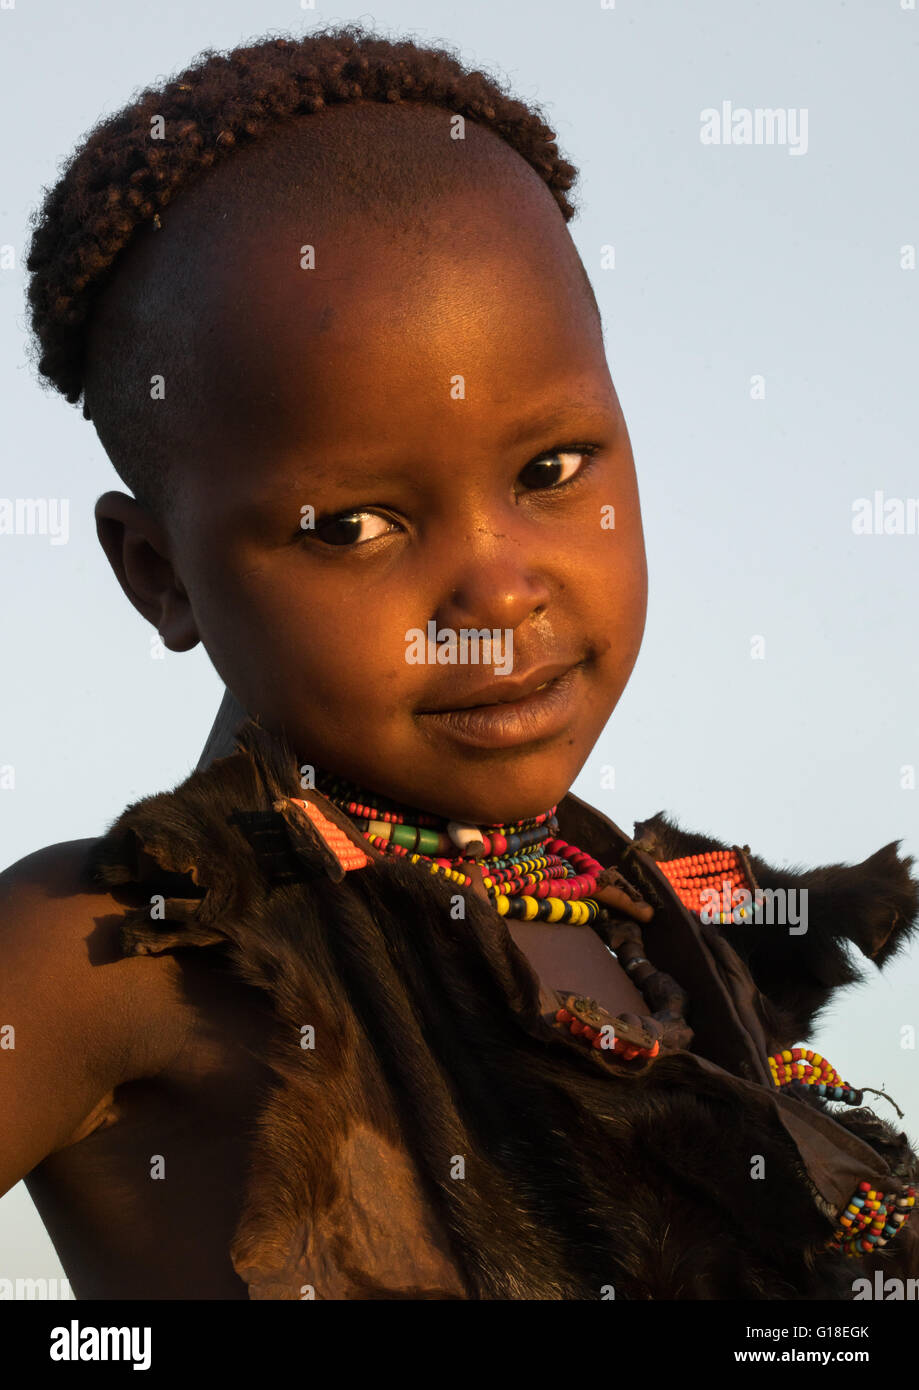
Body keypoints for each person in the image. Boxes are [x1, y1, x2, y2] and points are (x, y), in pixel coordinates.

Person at [3, 24, 916, 1299]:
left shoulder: (665, 921)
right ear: (159, 572)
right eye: (356, 526)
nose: (498, 587)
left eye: (550, 470)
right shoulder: (117, 953)